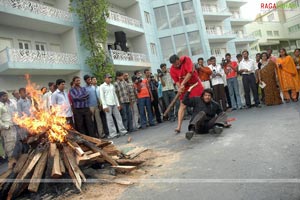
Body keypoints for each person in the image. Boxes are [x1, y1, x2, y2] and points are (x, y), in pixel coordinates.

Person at [169, 54, 204, 133]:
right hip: (185, 87)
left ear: (179, 59)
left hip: (195, 84)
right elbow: (176, 81)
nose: (177, 65)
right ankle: (178, 127)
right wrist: (180, 87)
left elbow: (190, 73)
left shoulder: (186, 59)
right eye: (175, 64)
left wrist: (182, 84)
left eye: (177, 63)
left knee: (202, 100)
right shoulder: (172, 70)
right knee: (182, 105)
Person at [100, 74, 128, 139]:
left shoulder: (112, 86)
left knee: (119, 118)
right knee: (110, 120)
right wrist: (104, 106)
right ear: (105, 79)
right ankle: (113, 134)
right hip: (107, 105)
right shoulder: (102, 86)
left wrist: (118, 104)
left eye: (110, 78)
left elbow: (115, 95)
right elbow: (102, 97)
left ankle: (122, 131)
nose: (110, 79)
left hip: (114, 104)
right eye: (108, 78)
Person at [0, 91, 18, 168]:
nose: (6, 97)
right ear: (0, 97)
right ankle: (11, 163)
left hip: (12, 126)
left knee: (14, 143)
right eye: (4, 96)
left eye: (7, 96)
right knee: (9, 145)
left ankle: (14, 161)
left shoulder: (6, 105)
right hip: (7, 129)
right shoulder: (0, 106)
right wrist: (5, 126)